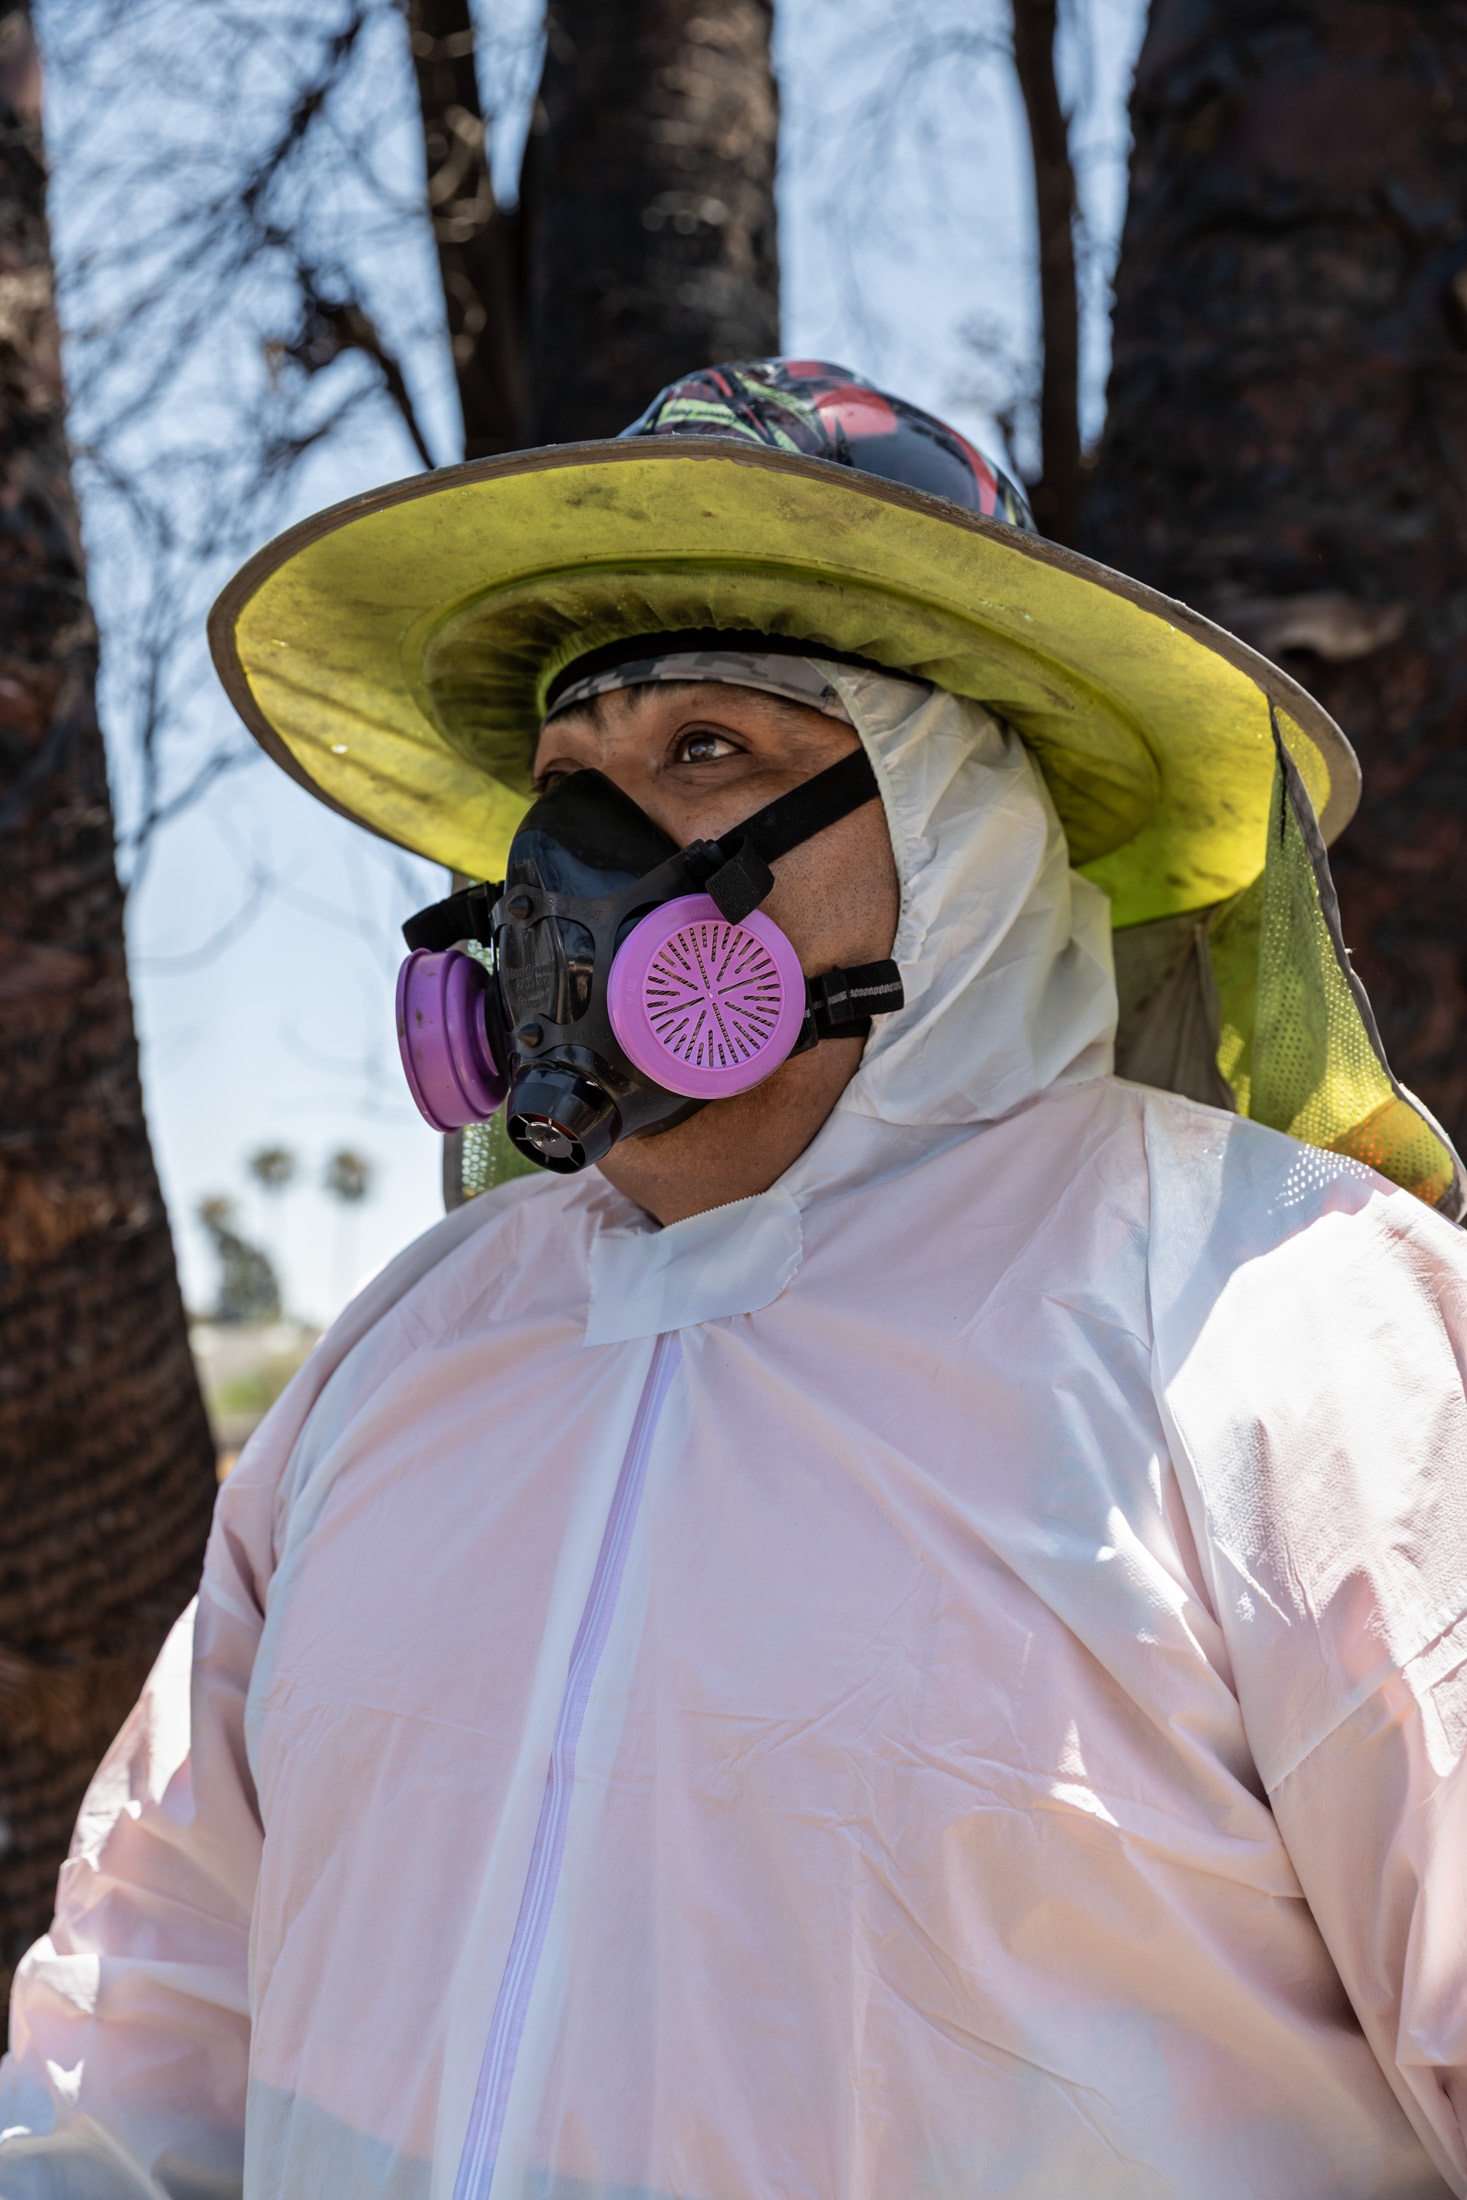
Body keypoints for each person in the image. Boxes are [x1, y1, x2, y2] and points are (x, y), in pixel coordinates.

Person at [2, 358, 1467, 2200]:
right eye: (562, 785)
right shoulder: (403, 1357)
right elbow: (137, 2042)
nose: (574, 870)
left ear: (957, 834)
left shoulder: (1277, 1315)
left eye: (708, 752)